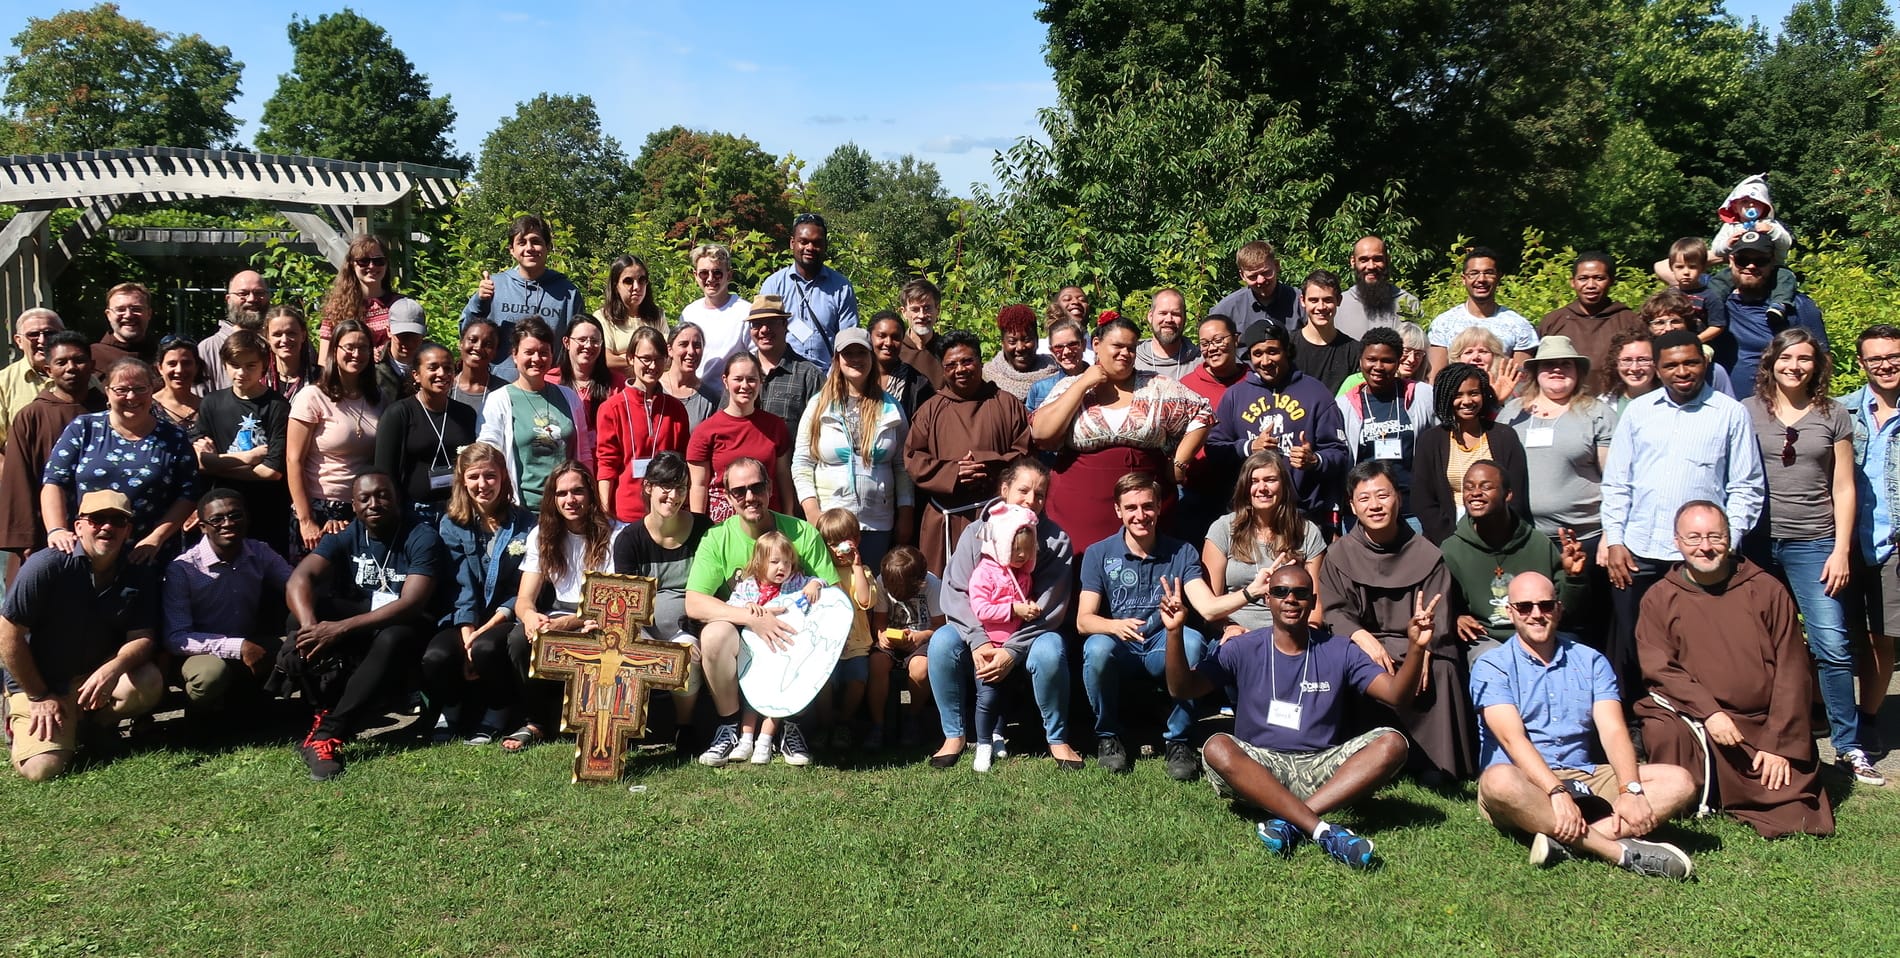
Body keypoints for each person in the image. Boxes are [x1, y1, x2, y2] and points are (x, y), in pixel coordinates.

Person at [1166, 565, 1433, 869]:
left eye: (1300, 593)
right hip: (1259, 767)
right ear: (1267, 599)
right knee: (1216, 747)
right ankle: (1322, 829)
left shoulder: (1339, 649)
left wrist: (1416, 648)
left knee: (1393, 743)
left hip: (1322, 766)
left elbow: (1397, 695)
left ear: (1312, 600)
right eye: (1281, 592)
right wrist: (1174, 633)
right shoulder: (1242, 648)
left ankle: (1291, 822)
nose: (1290, 599)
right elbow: (1182, 688)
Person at [1470, 572, 1697, 879]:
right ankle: (1618, 852)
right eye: (1525, 607)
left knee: (1679, 782)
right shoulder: (1492, 665)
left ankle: (1567, 841)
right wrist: (1556, 792)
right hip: (1524, 779)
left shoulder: (1590, 660)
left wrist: (1629, 790)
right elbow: (1512, 739)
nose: (1536, 614)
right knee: (1498, 782)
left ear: (1559, 608)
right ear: (1510, 612)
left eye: (1545, 605)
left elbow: (1614, 730)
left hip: (1583, 773)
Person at [1634, 502, 1836, 838]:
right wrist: (1710, 712)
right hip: (1699, 721)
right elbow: (1660, 668)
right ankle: (1697, 795)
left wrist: (1778, 745)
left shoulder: (1767, 590)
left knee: (1796, 815)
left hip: (1761, 726)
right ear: (1677, 541)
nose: (1705, 546)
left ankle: (1723, 793)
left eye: (1715, 536)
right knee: (1662, 730)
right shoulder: (1659, 597)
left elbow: (1792, 670)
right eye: (1694, 537)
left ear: (1729, 538)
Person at [1740, 330, 1874, 783]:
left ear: (1817, 365)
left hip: (1814, 542)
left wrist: (1841, 550)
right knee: (1759, 647)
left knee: (1832, 646)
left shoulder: (1834, 414)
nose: (1795, 366)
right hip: (1756, 544)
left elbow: (1844, 486)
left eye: (1805, 359)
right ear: (1771, 361)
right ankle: (1764, 738)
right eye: (1787, 357)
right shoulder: (1745, 411)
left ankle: (1848, 746)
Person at [1600, 330, 1764, 700]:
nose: (1682, 371)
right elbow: (1617, 483)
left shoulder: (1729, 413)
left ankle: (1700, 724)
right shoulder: (1639, 412)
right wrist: (1615, 540)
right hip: (1638, 551)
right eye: (1671, 365)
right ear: (1657, 369)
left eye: (1690, 362)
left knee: (1699, 645)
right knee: (1636, 644)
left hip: (1701, 554)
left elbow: (1746, 486)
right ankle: (1644, 726)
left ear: (1705, 363)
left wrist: (1727, 543)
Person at [280, 470, 445, 780]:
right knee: (298, 618)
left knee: (392, 637)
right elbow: (300, 579)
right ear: (353, 505)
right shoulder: (351, 533)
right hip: (368, 618)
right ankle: (323, 713)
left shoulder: (421, 536)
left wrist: (341, 628)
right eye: (364, 498)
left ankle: (330, 734)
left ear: (397, 498)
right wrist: (310, 628)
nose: (374, 503)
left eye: (382, 495)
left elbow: (411, 603)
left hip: (413, 625)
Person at [927, 456, 1085, 769]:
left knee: (1052, 649)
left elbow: (1050, 607)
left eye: (1040, 495)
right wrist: (978, 640)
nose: (1031, 500)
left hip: (1029, 635)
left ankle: (1057, 738)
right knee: (942, 641)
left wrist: (1012, 651)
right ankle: (954, 734)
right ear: (1004, 490)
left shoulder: (1056, 542)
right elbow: (956, 590)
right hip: (983, 631)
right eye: (1023, 491)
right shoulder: (976, 533)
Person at [1320, 461, 1472, 780]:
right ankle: (1356, 757)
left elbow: (1440, 616)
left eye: (1383, 495)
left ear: (1398, 499)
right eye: (1364, 499)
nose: (1375, 505)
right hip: (1363, 645)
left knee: (1442, 668)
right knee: (1342, 661)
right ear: (1352, 506)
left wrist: (1424, 650)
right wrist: (1363, 638)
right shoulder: (1338, 555)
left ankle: (1434, 763)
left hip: (1416, 644)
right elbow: (1335, 611)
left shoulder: (1428, 555)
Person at [685, 457, 839, 767]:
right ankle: (729, 727)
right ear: (728, 497)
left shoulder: (801, 534)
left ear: (769, 489)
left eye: (756, 487)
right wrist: (754, 619)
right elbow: (695, 603)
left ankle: (788, 727)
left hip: (794, 636)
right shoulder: (718, 538)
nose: (749, 497)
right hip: (744, 636)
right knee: (714, 634)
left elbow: (832, 596)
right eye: (739, 491)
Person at [0, 490, 164, 780]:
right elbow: (7, 636)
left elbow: (143, 636)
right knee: (42, 770)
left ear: (128, 529)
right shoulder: (47, 565)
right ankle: (18, 714)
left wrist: (113, 668)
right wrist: (39, 695)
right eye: (97, 519)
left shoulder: (138, 570)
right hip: (39, 683)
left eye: (117, 520)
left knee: (148, 681)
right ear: (78, 526)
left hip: (89, 679)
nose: (107, 527)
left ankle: (91, 726)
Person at [1036, 316, 1214, 552]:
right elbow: (1041, 433)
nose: (1125, 354)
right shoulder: (1070, 386)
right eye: (1118, 347)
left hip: (1143, 511)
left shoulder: (1157, 385)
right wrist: (1081, 385)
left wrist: (1180, 463)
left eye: (1131, 348)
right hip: (1078, 509)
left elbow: (1203, 412)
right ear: (1097, 344)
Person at [1078, 473, 1212, 780]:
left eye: (1148, 506)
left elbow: (1204, 603)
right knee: (1096, 648)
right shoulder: (1098, 553)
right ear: (1118, 511)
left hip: (1161, 644)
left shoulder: (1182, 552)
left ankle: (1179, 742)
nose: (1141, 515)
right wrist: (1114, 625)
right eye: (1132, 508)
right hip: (1121, 644)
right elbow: (1084, 620)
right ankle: (1108, 737)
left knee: (1193, 642)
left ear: (1159, 508)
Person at [420, 441, 535, 745]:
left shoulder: (525, 523)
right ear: (462, 480)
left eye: (490, 476)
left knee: (485, 648)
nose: (482, 485)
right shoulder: (450, 523)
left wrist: (483, 632)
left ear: (503, 478)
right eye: (474, 477)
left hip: (505, 615)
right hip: (464, 613)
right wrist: (468, 632)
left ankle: (498, 710)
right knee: (436, 656)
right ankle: (452, 708)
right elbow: (461, 585)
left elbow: (521, 586)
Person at [506, 460, 621, 753]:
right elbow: (523, 600)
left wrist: (566, 624)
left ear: (591, 494)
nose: (570, 500)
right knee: (519, 639)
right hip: (558, 611)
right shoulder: (541, 535)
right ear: (552, 499)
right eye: (562, 494)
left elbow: (610, 604)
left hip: (601, 617)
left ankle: (587, 721)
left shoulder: (615, 534)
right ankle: (535, 722)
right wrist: (531, 617)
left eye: (577, 492)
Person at [42, 358, 200, 565]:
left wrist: (156, 538)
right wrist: (57, 529)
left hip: (146, 554)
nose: (132, 396)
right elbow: (54, 481)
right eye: (121, 390)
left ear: (152, 390)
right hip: (86, 551)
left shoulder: (174, 438)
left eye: (140, 389)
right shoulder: (83, 428)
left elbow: (188, 494)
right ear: (107, 391)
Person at [609, 452, 711, 754]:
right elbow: (626, 602)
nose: (673, 495)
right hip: (644, 629)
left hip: (689, 626)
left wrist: (690, 632)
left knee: (688, 659)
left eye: (681, 487)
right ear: (649, 488)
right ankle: (622, 730)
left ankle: (685, 727)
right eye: (666, 486)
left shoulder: (704, 530)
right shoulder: (629, 540)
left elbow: (711, 590)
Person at [904, 331, 1032, 574]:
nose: (960, 369)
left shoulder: (1007, 404)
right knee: (942, 597)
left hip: (996, 517)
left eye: (967, 361)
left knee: (998, 592)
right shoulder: (930, 410)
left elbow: (1024, 453)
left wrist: (986, 464)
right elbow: (913, 458)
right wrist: (954, 472)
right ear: (943, 370)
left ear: (980, 362)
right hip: (946, 519)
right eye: (951, 365)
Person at [1206, 320, 1346, 534]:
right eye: (1257, 353)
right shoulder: (1235, 395)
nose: (1265, 360)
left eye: (1273, 351)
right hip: (1249, 516)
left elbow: (1340, 453)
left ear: (1287, 351)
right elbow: (1214, 447)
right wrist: (1249, 447)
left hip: (1302, 516)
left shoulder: (1316, 393)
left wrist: (1315, 460)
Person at [161, 490, 292, 718]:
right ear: (202, 526)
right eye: (217, 519)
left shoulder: (259, 551)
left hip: (250, 643)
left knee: (298, 647)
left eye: (236, 516)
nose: (228, 523)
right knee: (211, 675)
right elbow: (177, 638)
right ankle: (203, 719)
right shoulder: (183, 569)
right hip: (199, 655)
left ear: (247, 518)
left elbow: (294, 584)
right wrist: (238, 646)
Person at [793, 328, 913, 569]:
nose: (855, 359)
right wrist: (813, 514)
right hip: (831, 521)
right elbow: (802, 463)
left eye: (862, 352)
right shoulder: (818, 406)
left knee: (871, 594)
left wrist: (906, 512)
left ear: (872, 357)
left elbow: (902, 465)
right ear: (837, 359)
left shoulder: (890, 407)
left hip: (878, 523)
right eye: (848, 354)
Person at [1440, 462, 1588, 657]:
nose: (1475, 493)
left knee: (1580, 654)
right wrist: (1455, 618)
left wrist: (1573, 578)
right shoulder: (1452, 549)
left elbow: (1565, 612)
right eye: (1469, 487)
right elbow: (1441, 604)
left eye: (1486, 486)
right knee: (1491, 657)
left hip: (1538, 630)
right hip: (1486, 638)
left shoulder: (1538, 544)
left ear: (1507, 494)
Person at [1498, 336, 1616, 546]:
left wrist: (1611, 537)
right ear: (1536, 372)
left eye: (1565, 364)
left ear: (1578, 371)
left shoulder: (1597, 413)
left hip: (1584, 537)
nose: (1557, 369)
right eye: (1549, 364)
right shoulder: (1512, 412)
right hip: (1523, 536)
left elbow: (1615, 480)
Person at [1200, 449, 1329, 639]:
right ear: (1245, 487)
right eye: (1254, 481)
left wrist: (1308, 634)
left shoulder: (1307, 532)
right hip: (1237, 634)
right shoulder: (1223, 529)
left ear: (1284, 485)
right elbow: (1211, 607)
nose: (1262, 488)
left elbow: (1316, 604)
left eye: (1270, 480)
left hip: (1293, 636)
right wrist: (1228, 628)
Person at [1845, 324, 1900, 766]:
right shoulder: (1844, 411)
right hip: (1842, 537)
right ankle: (1833, 715)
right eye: (1876, 358)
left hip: (1891, 541)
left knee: (1881, 636)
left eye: (1893, 356)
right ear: (1862, 363)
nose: (1886, 364)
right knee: (1837, 636)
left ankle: (1869, 719)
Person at [1, 332, 103, 565]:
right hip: (47, 533)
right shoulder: (33, 415)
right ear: (48, 370)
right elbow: (18, 478)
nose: (71, 368)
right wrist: (24, 538)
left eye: (79, 360)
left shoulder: (107, 410)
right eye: (61, 362)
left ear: (92, 366)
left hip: (104, 528)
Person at [476, 316, 595, 511]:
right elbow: (489, 458)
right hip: (521, 510)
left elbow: (583, 455)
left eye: (543, 352)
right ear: (514, 355)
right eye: (529, 352)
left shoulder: (569, 397)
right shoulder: (499, 401)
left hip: (565, 509)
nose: (536, 359)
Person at [287, 319, 385, 556]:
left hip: (363, 508)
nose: (356, 354)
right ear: (334, 350)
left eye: (363, 347)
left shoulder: (378, 399)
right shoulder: (312, 397)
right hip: (320, 508)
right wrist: (306, 519)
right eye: (349, 347)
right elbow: (293, 461)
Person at [194, 330, 293, 560]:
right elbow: (200, 463)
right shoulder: (212, 403)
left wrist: (216, 462)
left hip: (266, 510)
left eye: (250, 365)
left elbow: (271, 472)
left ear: (264, 365)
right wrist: (248, 458)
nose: (241, 373)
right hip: (221, 511)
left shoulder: (277, 406)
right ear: (224, 365)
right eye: (234, 365)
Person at [1412, 363, 1531, 545]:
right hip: (1446, 539)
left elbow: (1516, 495)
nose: (1467, 401)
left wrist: (1498, 534)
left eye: (1473, 393)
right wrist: (1452, 541)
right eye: (1458, 395)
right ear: (1445, 397)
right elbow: (1423, 500)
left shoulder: (1505, 437)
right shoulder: (1430, 441)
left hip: (1499, 535)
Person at [461, 214, 584, 380]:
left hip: (548, 387)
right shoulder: (494, 286)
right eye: (522, 242)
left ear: (547, 246)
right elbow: (465, 333)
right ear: (512, 250)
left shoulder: (568, 293)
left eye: (536, 241)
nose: (529, 248)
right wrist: (479, 301)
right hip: (498, 384)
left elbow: (577, 344)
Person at [1709, 231, 1829, 401]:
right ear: (1731, 260)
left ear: (1773, 262)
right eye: (1742, 260)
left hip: (1779, 411)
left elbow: (1823, 360)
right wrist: (1719, 253)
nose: (1751, 266)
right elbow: (1668, 266)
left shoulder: (1798, 306)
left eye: (1760, 261)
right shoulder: (1715, 300)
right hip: (1724, 409)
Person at [1338, 327, 1435, 528]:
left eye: (1387, 360)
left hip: (1412, 512)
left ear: (1398, 361)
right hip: (1362, 515)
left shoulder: (1423, 396)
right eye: (1371, 359)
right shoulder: (1344, 405)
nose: (1378, 367)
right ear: (1361, 361)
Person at [967, 502, 1039, 773]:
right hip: (988, 644)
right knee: (986, 697)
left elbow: (1022, 599)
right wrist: (1014, 609)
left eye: (1027, 550)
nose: (1021, 556)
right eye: (1015, 549)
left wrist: (1028, 606)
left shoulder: (1023, 575)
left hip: (1011, 645)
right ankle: (983, 743)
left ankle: (998, 735)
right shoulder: (984, 572)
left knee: (1004, 695)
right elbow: (981, 609)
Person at [595, 326, 690, 524]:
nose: (652, 365)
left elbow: (683, 463)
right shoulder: (611, 408)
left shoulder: (676, 409)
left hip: (666, 513)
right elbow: (607, 464)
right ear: (631, 358)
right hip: (624, 514)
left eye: (658, 359)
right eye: (646, 358)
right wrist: (604, 513)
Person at [375, 342, 478, 526]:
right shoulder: (399, 414)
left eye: (448, 368)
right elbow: (384, 471)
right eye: (433, 367)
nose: (442, 373)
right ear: (416, 375)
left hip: (458, 510)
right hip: (414, 513)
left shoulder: (466, 414)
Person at [687, 353, 797, 522]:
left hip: (767, 523)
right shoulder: (705, 431)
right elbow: (698, 485)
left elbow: (783, 476)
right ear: (725, 381)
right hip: (721, 525)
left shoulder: (775, 426)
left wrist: (789, 517)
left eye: (751, 379)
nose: (745, 385)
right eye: (738, 379)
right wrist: (698, 526)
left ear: (761, 381)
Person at [812, 507, 879, 751]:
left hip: (856, 644)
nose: (837, 550)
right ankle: (824, 725)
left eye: (843, 542)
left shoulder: (863, 572)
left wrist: (857, 565)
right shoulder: (819, 574)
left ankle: (844, 722)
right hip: (828, 645)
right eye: (830, 543)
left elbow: (865, 600)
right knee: (825, 685)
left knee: (857, 681)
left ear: (856, 540)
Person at [1537, 252, 1644, 397]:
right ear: (1573, 282)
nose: (1591, 285)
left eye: (1599, 278)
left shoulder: (1629, 320)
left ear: (1612, 281)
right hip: (1565, 403)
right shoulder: (1554, 321)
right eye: (1583, 278)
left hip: (1617, 401)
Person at [759, 212, 859, 365]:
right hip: (784, 376)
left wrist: (834, 380)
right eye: (803, 242)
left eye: (817, 243)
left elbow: (848, 340)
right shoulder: (773, 285)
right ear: (792, 243)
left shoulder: (842, 287)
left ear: (825, 245)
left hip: (827, 378)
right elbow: (762, 334)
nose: (810, 248)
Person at [870, 544, 942, 748]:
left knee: (920, 669)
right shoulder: (883, 581)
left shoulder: (932, 584)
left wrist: (921, 637)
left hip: (922, 638)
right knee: (877, 663)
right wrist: (881, 635)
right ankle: (878, 724)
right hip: (893, 636)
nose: (896, 594)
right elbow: (880, 620)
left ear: (918, 583)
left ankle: (912, 716)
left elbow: (940, 625)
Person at [1426, 248, 1537, 378]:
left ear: (1499, 276)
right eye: (1474, 273)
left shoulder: (1518, 325)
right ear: (1464, 279)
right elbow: (1435, 378)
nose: (1481, 279)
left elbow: (1521, 382)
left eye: (1489, 273)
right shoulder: (1444, 323)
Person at [318, 235, 411, 365]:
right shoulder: (336, 308)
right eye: (364, 261)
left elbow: (413, 348)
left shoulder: (400, 305)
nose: (372, 266)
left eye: (379, 261)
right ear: (352, 264)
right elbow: (324, 360)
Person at [744, 294, 827, 427]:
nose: (764, 330)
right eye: (757, 324)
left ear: (785, 325)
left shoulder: (809, 376)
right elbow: (724, 421)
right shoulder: (740, 371)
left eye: (771, 322)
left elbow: (822, 428)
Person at [679, 242, 751, 386]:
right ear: (695, 276)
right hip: (695, 396)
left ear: (729, 275)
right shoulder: (689, 313)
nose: (710, 279)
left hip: (730, 398)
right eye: (704, 273)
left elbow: (754, 359)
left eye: (717, 273)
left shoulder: (745, 312)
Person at [0, 307, 64, 453]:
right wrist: (12, 475)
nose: (42, 340)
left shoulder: (84, 378)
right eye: (33, 334)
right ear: (19, 341)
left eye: (50, 333)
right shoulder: (3, 382)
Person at [1333, 236, 1422, 339]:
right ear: (1353, 262)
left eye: (1377, 259)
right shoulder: (1338, 305)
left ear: (1388, 260)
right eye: (1364, 260)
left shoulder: (1409, 304)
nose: (1371, 266)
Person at [595, 254, 665, 382]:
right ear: (616, 285)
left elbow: (668, 358)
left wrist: (622, 357)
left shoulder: (657, 315)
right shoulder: (603, 317)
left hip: (653, 389)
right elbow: (604, 359)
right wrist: (647, 360)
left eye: (642, 280)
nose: (637, 287)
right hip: (616, 389)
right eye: (628, 281)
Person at [1291, 271, 1361, 394]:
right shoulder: (1287, 345)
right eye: (1313, 300)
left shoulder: (1354, 351)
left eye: (1327, 300)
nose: (1321, 307)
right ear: (1302, 301)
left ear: (1338, 300)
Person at [200, 269, 270, 392]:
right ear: (228, 299)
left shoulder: (281, 343)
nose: (251, 299)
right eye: (243, 293)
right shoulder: (209, 348)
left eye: (259, 293)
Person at [1212, 240, 1304, 328]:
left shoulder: (1301, 302)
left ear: (1276, 266)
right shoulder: (1226, 310)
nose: (1260, 280)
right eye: (1253, 276)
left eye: (1266, 273)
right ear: (1242, 275)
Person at [870, 310, 936, 422]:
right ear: (870, 337)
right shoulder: (858, 377)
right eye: (882, 336)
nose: (888, 343)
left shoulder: (917, 384)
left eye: (895, 337)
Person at [986, 304, 1061, 401]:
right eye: (1012, 341)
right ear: (1002, 343)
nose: (1020, 348)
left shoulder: (1058, 374)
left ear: (1037, 340)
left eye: (1027, 340)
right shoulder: (986, 379)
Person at [659, 322, 721, 430]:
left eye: (697, 346)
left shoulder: (710, 399)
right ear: (669, 350)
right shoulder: (654, 388)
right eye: (683, 344)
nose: (691, 351)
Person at [556, 315, 613, 431]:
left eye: (595, 341)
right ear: (566, 342)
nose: (588, 345)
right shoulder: (549, 381)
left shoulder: (617, 385)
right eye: (582, 340)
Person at [1023, 318, 1090, 414]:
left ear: (1083, 345)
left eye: (1073, 344)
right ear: (1052, 351)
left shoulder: (1100, 383)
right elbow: (1030, 426)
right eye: (1059, 347)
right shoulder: (1039, 389)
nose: (1067, 352)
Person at [1134, 289, 1201, 380]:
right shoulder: (1132, 359)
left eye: (1175, 314)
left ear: (1185, 318)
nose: (1169, 319)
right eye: (1163, 313)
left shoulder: (1200, 362)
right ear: (1150, 316)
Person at [92, 282, 156, 369]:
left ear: (149, 314)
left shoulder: (163, 356)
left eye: (136, 309)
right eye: (120, 310)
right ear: (108, 315)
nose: (129, 315)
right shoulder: (91, 356)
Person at [896, 278, 946, 388]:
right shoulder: (895, 352)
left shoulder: (947, 351)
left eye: (927, 308)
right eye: (915, 309)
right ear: (904, 312)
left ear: (937, 310)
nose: (922, 315)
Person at [452, 318, 505, 419]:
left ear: (495, 352)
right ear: (461, 343)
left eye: (488, 344)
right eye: (472, 340)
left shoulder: (503, 392)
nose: (478, 347)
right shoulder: (444, 387)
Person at [375, 300, 425, 403]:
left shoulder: (436, 368)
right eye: (403, 336)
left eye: (415, 336)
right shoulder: (373, 370)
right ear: (388, 331)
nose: (409, 343)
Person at [263, 305, 316, 401]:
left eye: (291, 333)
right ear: (268, 338)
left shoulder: (320, 378)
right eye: (277, 334)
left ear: (303, 336)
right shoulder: (259, 379)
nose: (284, 340)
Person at [151, 335, 203, 432]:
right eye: (172, 364)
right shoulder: (147, 408)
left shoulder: (207, 407)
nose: (179, 370)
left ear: (196, 367)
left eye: (186, 363)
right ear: (160, 368)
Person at [1600, 330, 1657, 414]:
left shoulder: (1674, 401)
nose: (1634, 368)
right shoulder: (1604, 403)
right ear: (1615, 364)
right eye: (1627, 360)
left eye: (1643, 360)